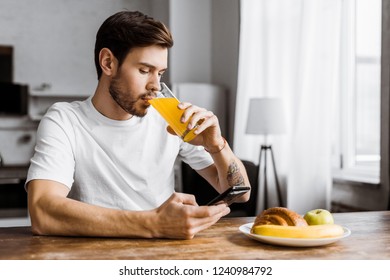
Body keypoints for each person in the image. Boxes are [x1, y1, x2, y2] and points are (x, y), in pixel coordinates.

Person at [26, 10, 250, 240]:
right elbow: (43, 211)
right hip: (93, 254)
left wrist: (217, 146)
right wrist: (155, 224)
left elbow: (241, 194)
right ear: (108, 63)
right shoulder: (64, 120)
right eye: (144, 70)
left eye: (160, 73)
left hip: (163, 255)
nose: (156, 86)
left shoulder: (168, 117)